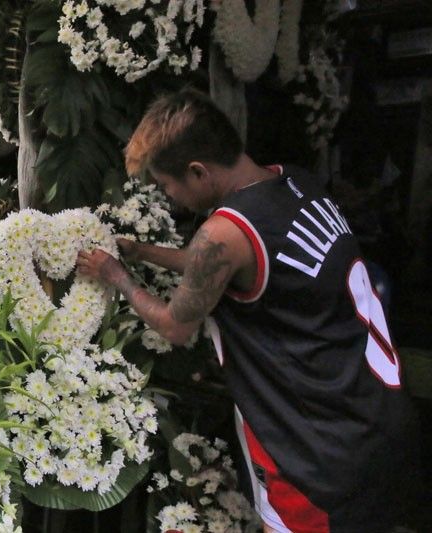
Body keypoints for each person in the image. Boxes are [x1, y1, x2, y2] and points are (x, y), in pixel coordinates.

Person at [76, 90, 420, 533]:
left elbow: (175, 326)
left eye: (167, 184)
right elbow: (219, 266)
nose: (171, 195)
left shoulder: (223, 233)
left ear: (197, 171)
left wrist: (115, 274)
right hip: (373, 418)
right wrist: (143, 250)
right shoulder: (294, 184)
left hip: (316, 454)